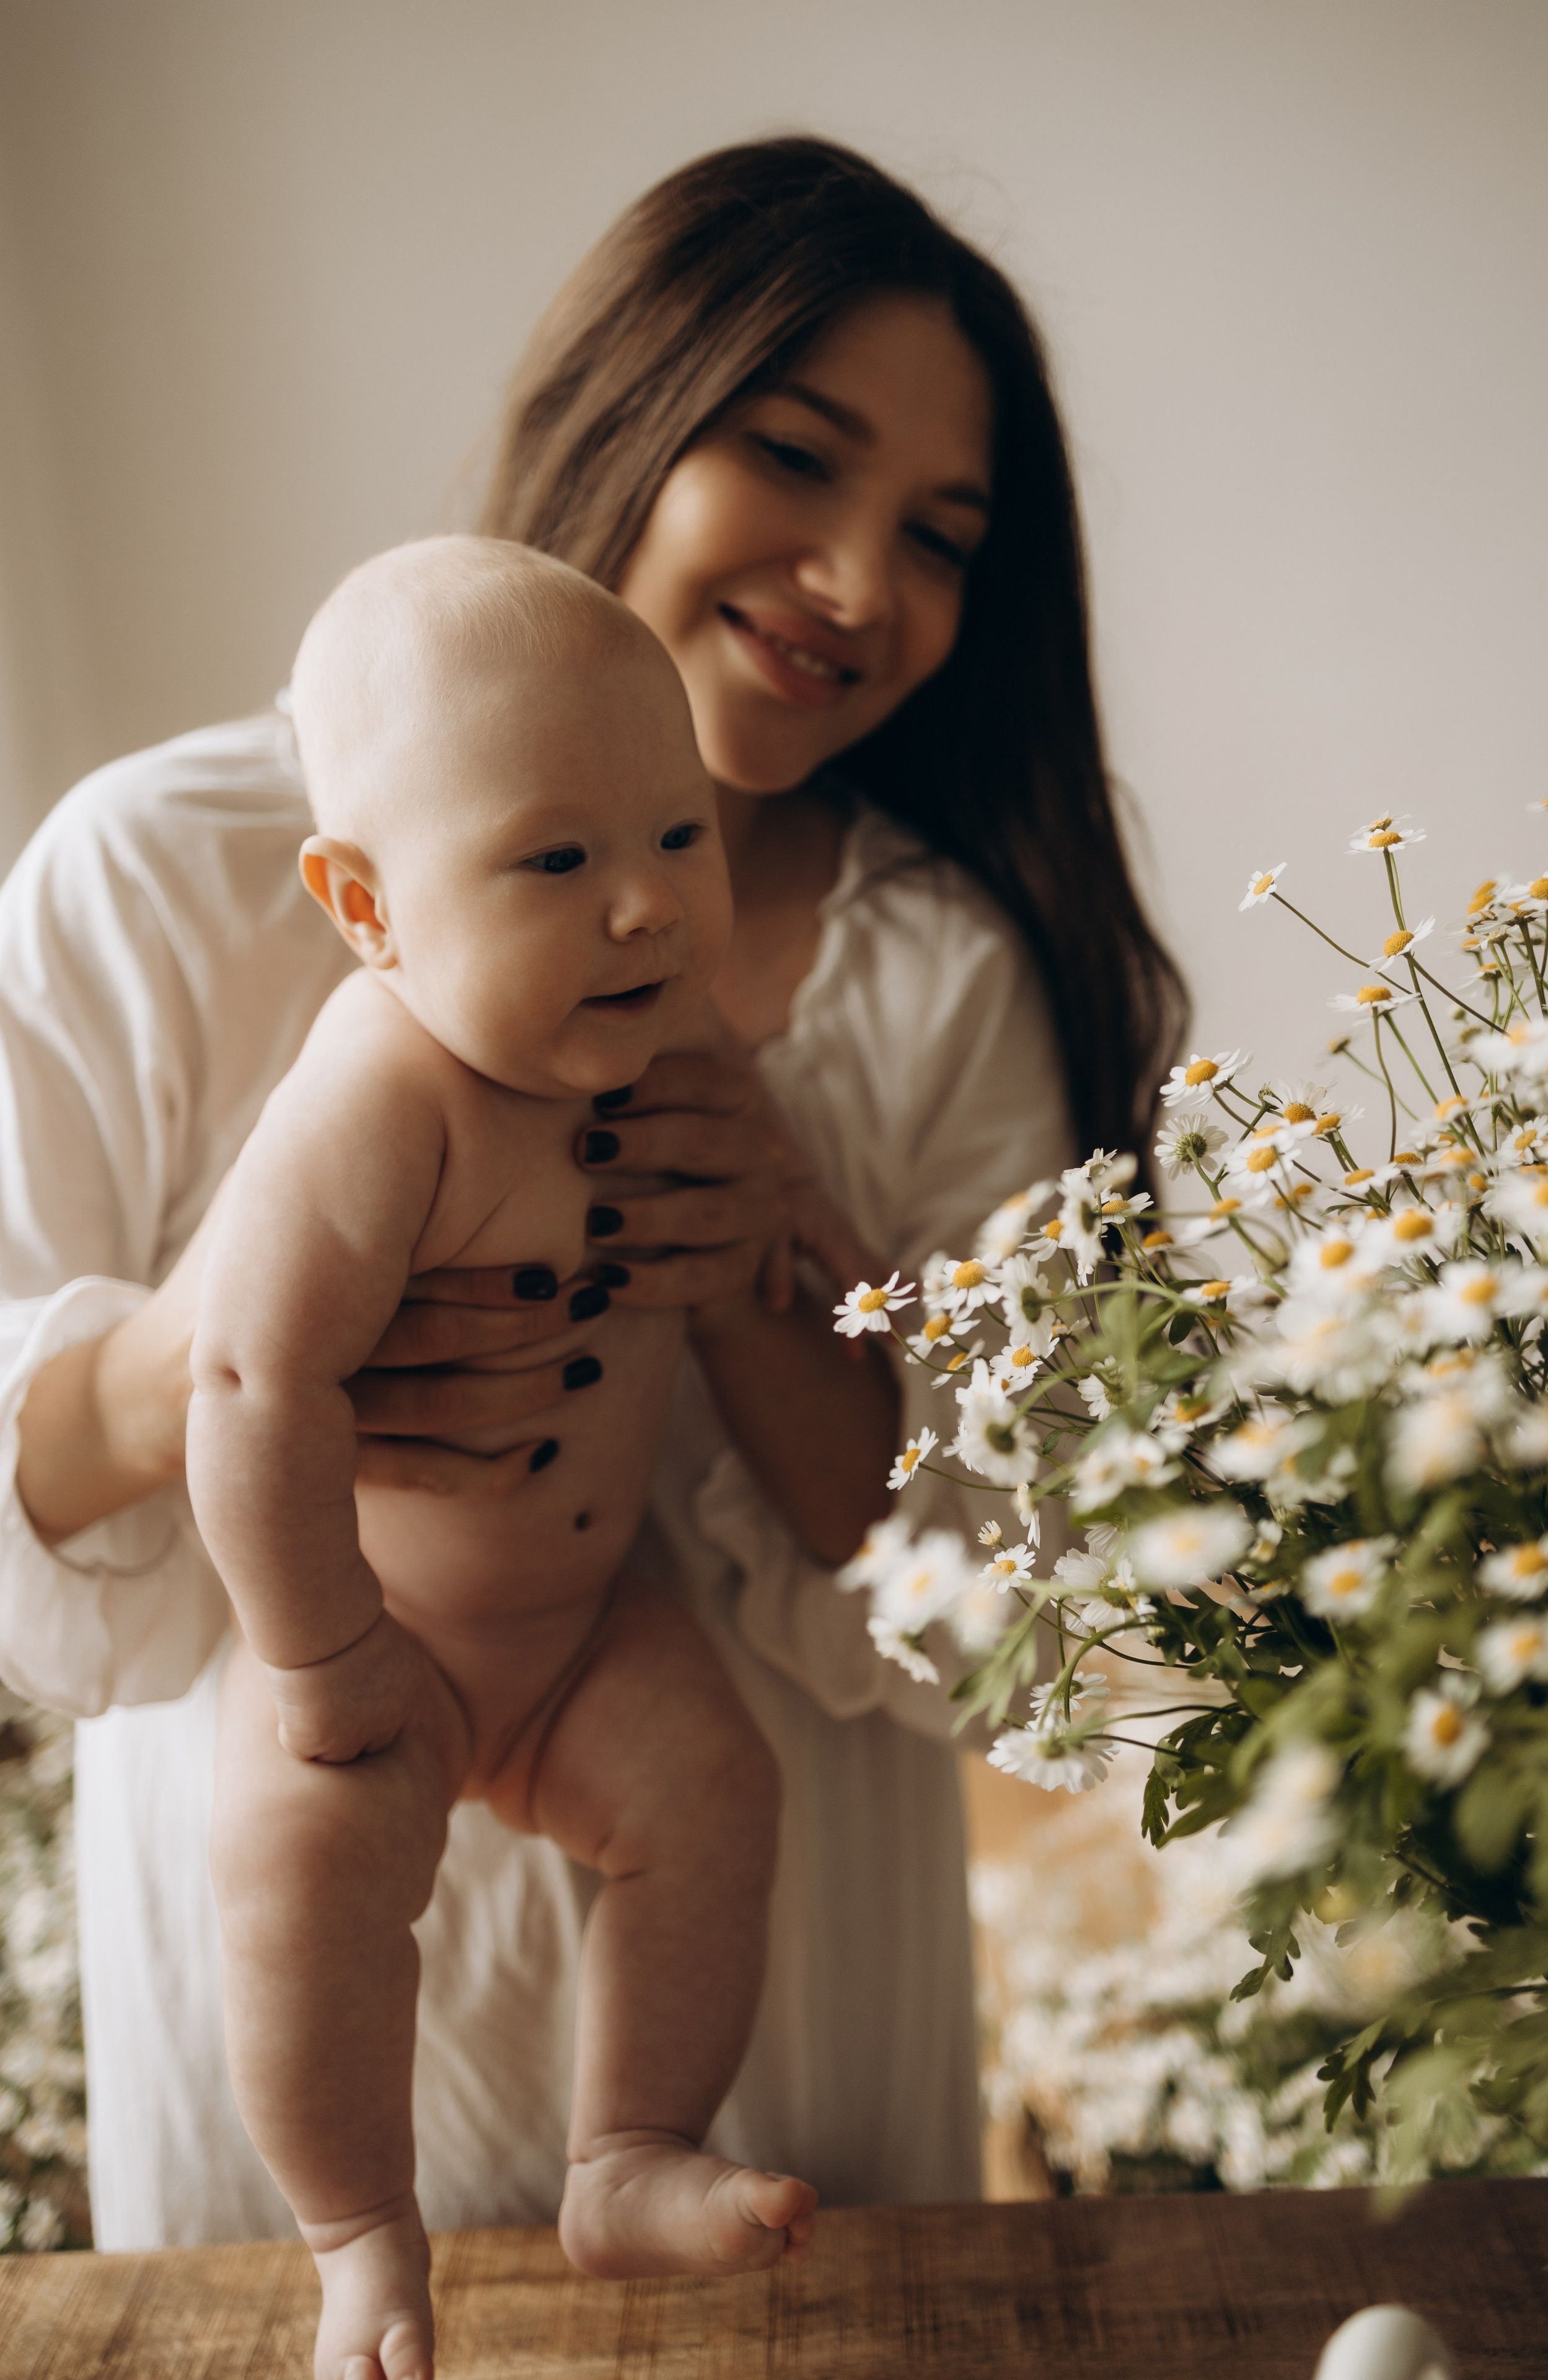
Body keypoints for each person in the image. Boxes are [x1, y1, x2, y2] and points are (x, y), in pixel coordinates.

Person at [0, 136, 1184, 2249]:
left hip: (774, 2006)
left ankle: (641, 2147)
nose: (855, 583)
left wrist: (753, 1279)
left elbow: (1006, 1602)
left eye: (939, 537)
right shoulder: (161, 875)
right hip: (303, 1900)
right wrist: (248, 1334)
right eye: (795, 460)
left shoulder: (934, 981)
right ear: (631, 410)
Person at [198, 542, 814, 2378]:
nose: (642, 909)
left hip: (580, 1627)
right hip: (387, 1640)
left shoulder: (668, 1030)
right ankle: (360, 2241)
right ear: (366, 905)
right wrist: (316, 1652)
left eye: (677, 837)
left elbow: (764, 1212)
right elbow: (244, 1382)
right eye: (558, 860)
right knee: (301, 1893)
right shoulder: (378, 1099)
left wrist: (795, 1232)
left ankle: (626, 2154)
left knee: (718, 1797)